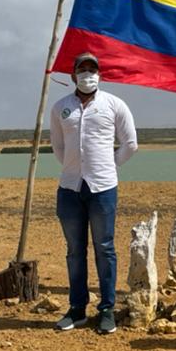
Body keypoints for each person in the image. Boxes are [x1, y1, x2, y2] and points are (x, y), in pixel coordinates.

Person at [49, 52, 138, 335]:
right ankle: (77, 309)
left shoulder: (114, 104)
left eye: (93, 70)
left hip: (103, 189)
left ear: (99, 75)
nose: (88, 74)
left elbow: (130, 143)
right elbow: (58, 147)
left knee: (104, 248)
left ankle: (107, 310)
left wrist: (108, 166)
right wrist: (75, 167)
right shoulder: (61, 107)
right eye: (82, 69)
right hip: (70, 188)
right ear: (73, 75)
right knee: (75, 251)